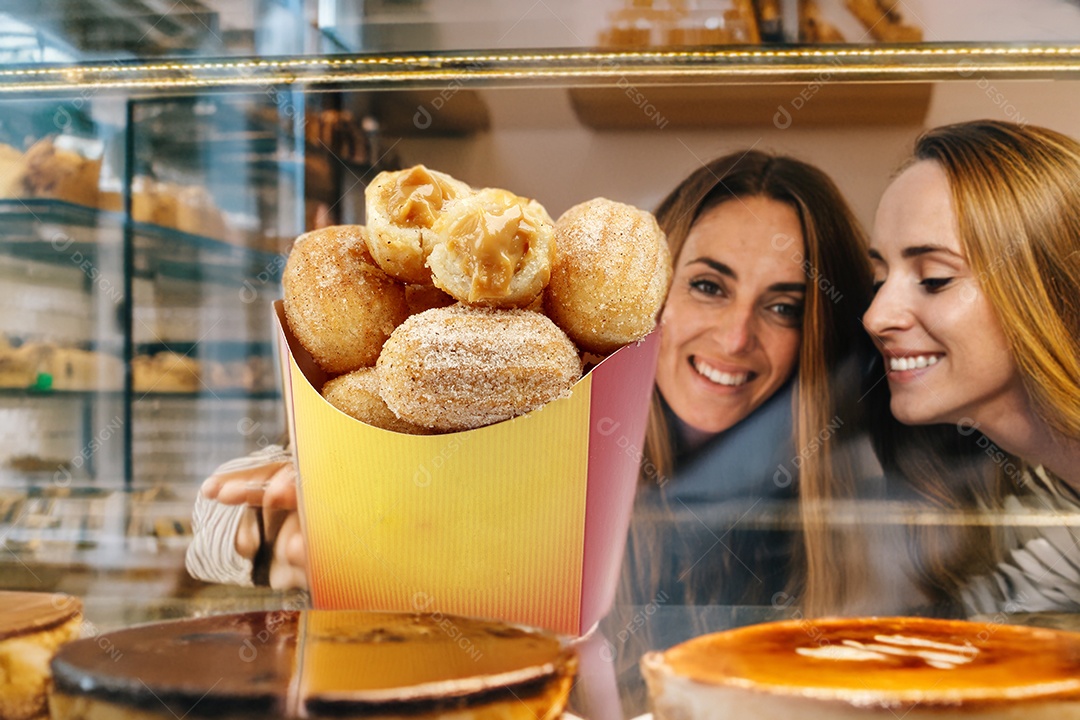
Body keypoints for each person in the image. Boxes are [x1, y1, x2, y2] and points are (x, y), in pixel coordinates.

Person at [622, 149, 878, 616]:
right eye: (709, 286)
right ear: (648, 289)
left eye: (783, 308)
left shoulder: (861, 513)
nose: (737, 338)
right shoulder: (558, 472)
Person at [862, 119, 1080, 616]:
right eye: (879, 277)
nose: (876, 317)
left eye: (934, 279)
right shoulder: (1005, 499)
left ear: (1049, 288)